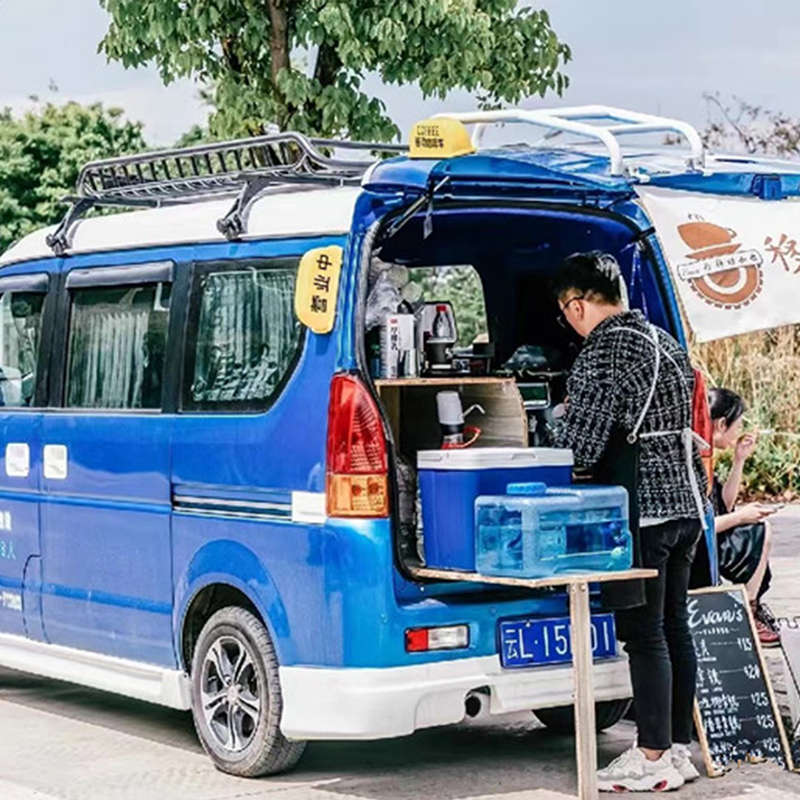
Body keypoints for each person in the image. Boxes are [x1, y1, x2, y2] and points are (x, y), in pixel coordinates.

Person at [552, 251, 707, 793]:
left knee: (644, 636)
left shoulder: (603, 352)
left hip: (644, 511)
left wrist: (551, 430)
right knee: (673, 627)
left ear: (577, 305)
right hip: (688, 504)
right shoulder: (665, 340)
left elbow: (582, 449)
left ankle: (651, 755)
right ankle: (678, 748)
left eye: (567, 313)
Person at [708, 387, 780, 646]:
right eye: (737, 425)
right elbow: (701, 525)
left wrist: (739, 461)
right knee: (761, 530)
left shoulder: (708, 457)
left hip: (709, 536)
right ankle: (747, 611)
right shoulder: (695, 458)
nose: (739, 432)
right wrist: (741, 517)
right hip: (695, 544)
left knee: (759, 525)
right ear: (721, 424)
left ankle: (752, 606)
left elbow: (723, 504)